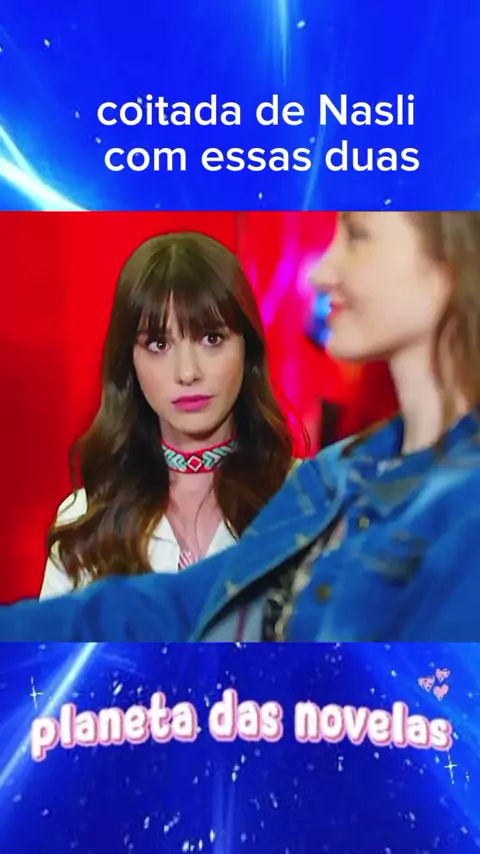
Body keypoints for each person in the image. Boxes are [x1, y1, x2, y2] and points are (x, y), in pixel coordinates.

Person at [1, 210, 480, 641]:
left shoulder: (340, 488)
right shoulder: (337, 479)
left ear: (448, 258)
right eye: (159, 344)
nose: (320, 271)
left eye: (356, 236)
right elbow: (188, 604)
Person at [39, 231, 298, 598]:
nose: (187, 372)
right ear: (129, 361)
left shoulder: (307, 498)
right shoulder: (85, 521)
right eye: (159, 344)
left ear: (247, 349)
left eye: (211, 338)